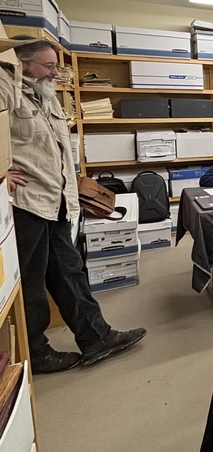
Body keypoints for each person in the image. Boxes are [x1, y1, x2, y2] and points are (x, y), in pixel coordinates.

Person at [0, 38, 146, 373]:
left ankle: (97, 338)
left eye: (56, 66)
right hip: (27, 204)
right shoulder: (6, 88)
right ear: (23, 64)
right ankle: (36, 352)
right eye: (48, 66)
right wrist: (1, 172)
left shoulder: (46, 95)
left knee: (70, 272)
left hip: (56, 201)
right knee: (32, 284)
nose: (55, 73)